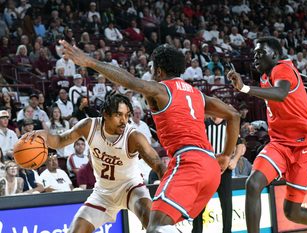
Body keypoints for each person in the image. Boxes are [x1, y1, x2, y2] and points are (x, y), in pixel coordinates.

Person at [59, 41, 240, 233]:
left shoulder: (161, 89)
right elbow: (234, 115)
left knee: (157, 228)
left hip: (189, 163)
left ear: (159, 71)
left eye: (152, 68)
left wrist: (90, 62)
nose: (150, 72)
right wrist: (226, 155)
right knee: (161, 226)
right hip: (210, 168)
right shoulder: (197, 94)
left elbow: (129, 81)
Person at [228, 36, 307, 233]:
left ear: (275, 55)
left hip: (305, 145)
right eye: (254, 53)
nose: (255, 57)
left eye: (260, 54)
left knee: (291, 212)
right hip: (279, 143)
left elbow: (280, 93)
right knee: (253, 184)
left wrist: (244, 88)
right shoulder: (264, 77)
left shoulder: (283, 68)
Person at [25, 92, 166, 232]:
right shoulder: (89, 126)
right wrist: (43, 135)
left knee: (153, 225)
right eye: (118, 115)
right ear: (105, 114)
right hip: (103, 193)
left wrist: (167, 196)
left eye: (127, 115)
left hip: (131, 187)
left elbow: (159, 166)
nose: (124, 120)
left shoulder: (134, 137)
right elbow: (60, 140)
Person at [192, 116, 242, 233]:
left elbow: (240, 145)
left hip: (224, 170)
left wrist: (234, 160)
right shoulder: (203, 124)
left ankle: (227, 231)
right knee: (199, 205)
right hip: (205, 169)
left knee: (226, 205)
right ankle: (196, 231)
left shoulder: (229, 125)